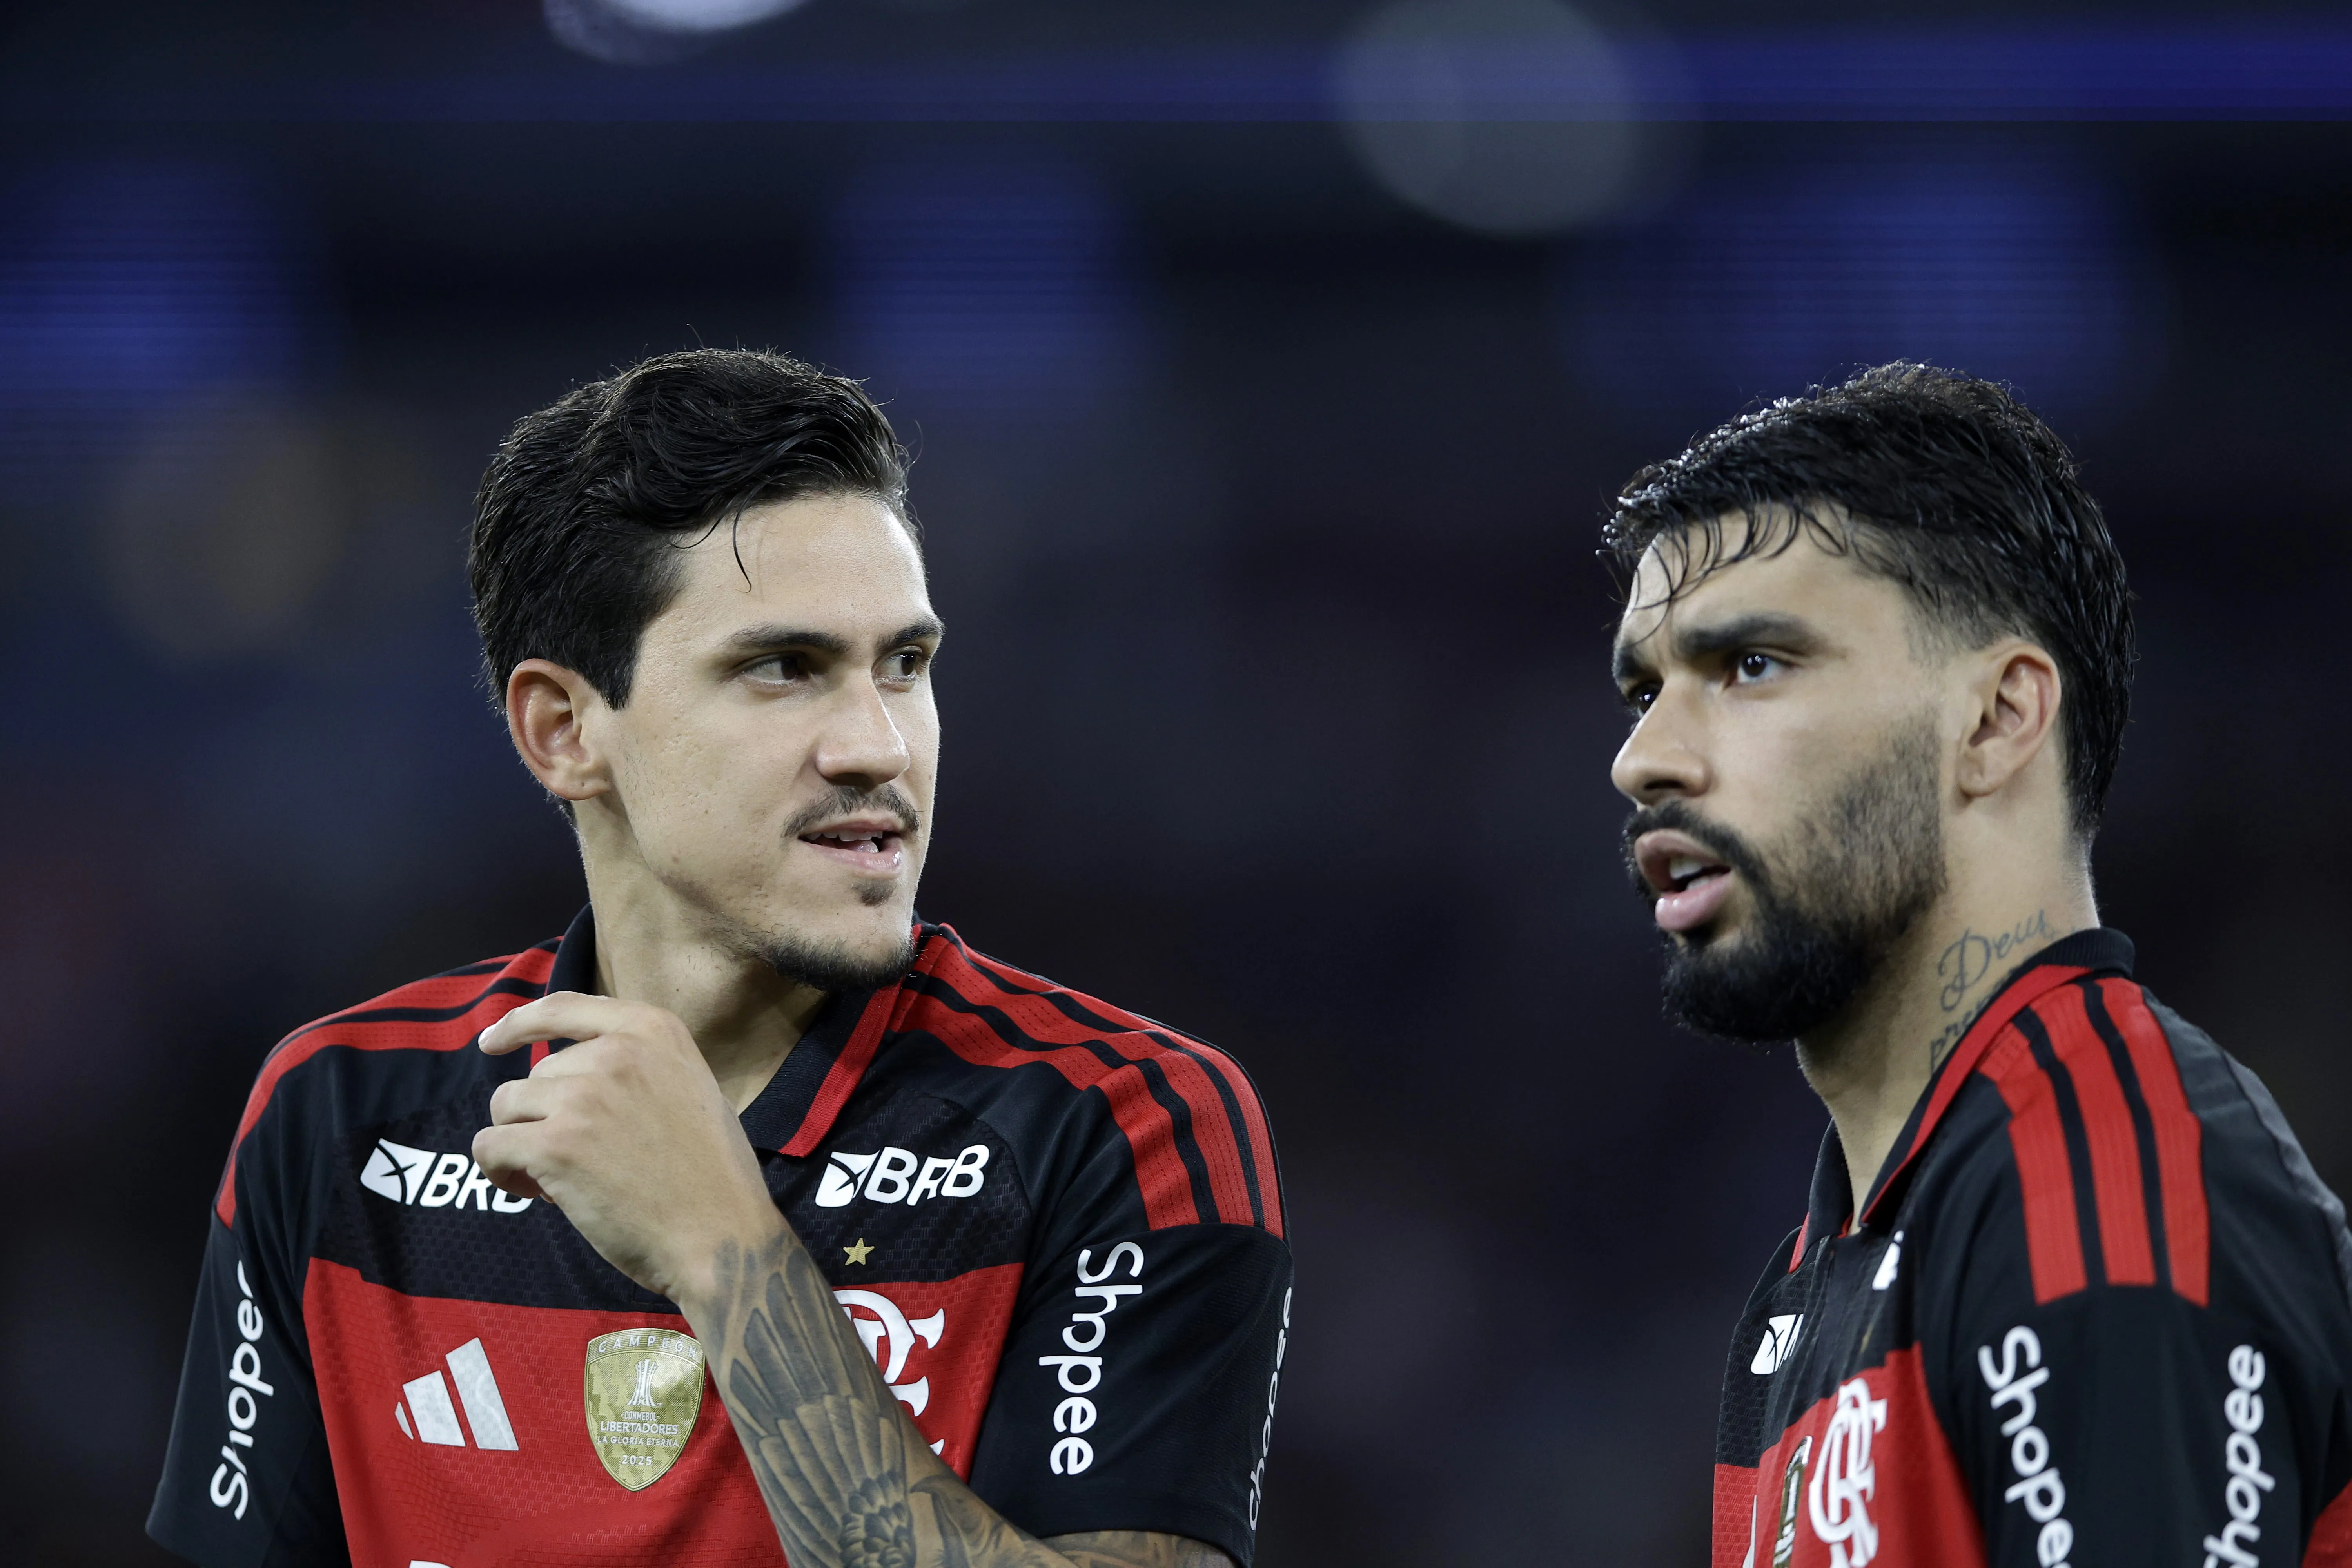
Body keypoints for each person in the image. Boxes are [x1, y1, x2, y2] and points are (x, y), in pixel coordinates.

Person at [148, 349, 1291, 1568]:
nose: (877, 746)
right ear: (565, 730)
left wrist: (722, 1248)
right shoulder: (339, 1118)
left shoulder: (1121, 1124)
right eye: (783, 669)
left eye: (905, 665)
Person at [1605, 364, 2352, 1567]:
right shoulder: (1814, 1282)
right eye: (1644, 690)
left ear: (2000, 720)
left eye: (1750, 665)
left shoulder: (2099, 1172)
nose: (1642, 760)